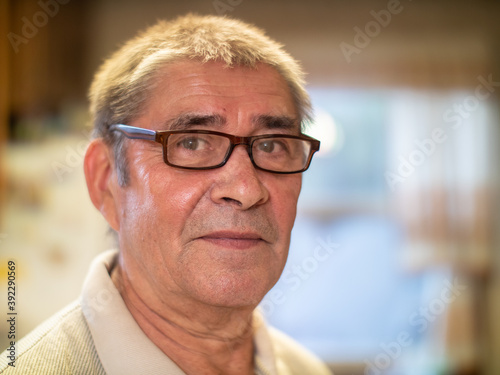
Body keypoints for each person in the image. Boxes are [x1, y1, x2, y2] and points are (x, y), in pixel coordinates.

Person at [0, 14, 330, 375]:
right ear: (106, 180)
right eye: (192, 142)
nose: (246, 190)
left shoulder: (306, 369)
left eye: (272, 145)